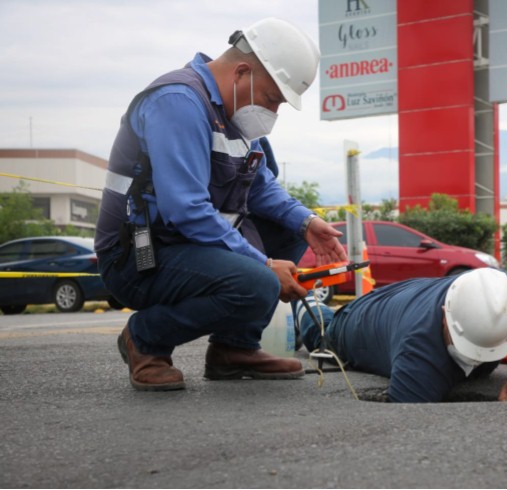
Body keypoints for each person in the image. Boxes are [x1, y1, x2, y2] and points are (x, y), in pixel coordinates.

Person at [94, 17, 347, 392]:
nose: (273, 113)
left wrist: (307, 222)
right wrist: (262, 263)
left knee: (290, 231)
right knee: (258, 281)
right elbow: (187, 210)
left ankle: (234, 349)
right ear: (242, 72)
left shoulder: (233, 119)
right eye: (272, 98)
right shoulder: (178, 102)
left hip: (181, 247)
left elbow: (261, 189)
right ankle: (145, 340)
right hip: (137, 254)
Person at [297, 267, 507, 403]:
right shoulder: (418, 348)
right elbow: (408, 407)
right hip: (357, 321)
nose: (474, 360)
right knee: (320, 330)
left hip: (410, 294)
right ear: (445, 315)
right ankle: (302, 300)